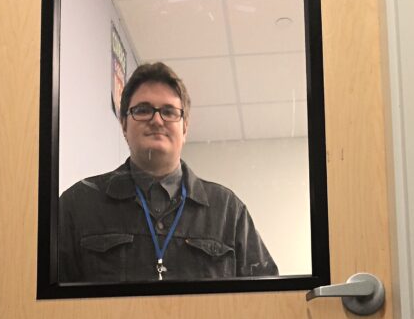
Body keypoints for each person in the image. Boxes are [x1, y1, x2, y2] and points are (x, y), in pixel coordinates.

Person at [58, 62, 278, 283]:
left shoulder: (228, 211)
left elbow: (266, 303)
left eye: (168, 112)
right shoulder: (77, 205)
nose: (156, 120)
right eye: (143, 110)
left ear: (184, 128)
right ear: (124, 125)